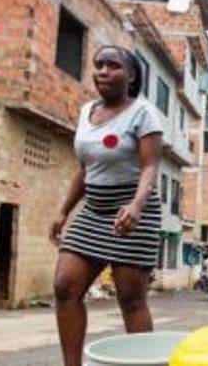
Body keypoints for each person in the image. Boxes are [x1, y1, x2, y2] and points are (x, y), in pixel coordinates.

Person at [49, 45, 164, 366]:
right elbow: (86, 169)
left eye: (113, 66)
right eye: (99, 64)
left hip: (132, 212)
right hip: (94, 211)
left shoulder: (143, 113)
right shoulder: (87, 112)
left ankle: (144, 363)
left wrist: (136, 205)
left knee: (130, 298)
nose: (103, 71)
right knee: (65, 287)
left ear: (131, 76)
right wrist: (63, 211)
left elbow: (150, 166)